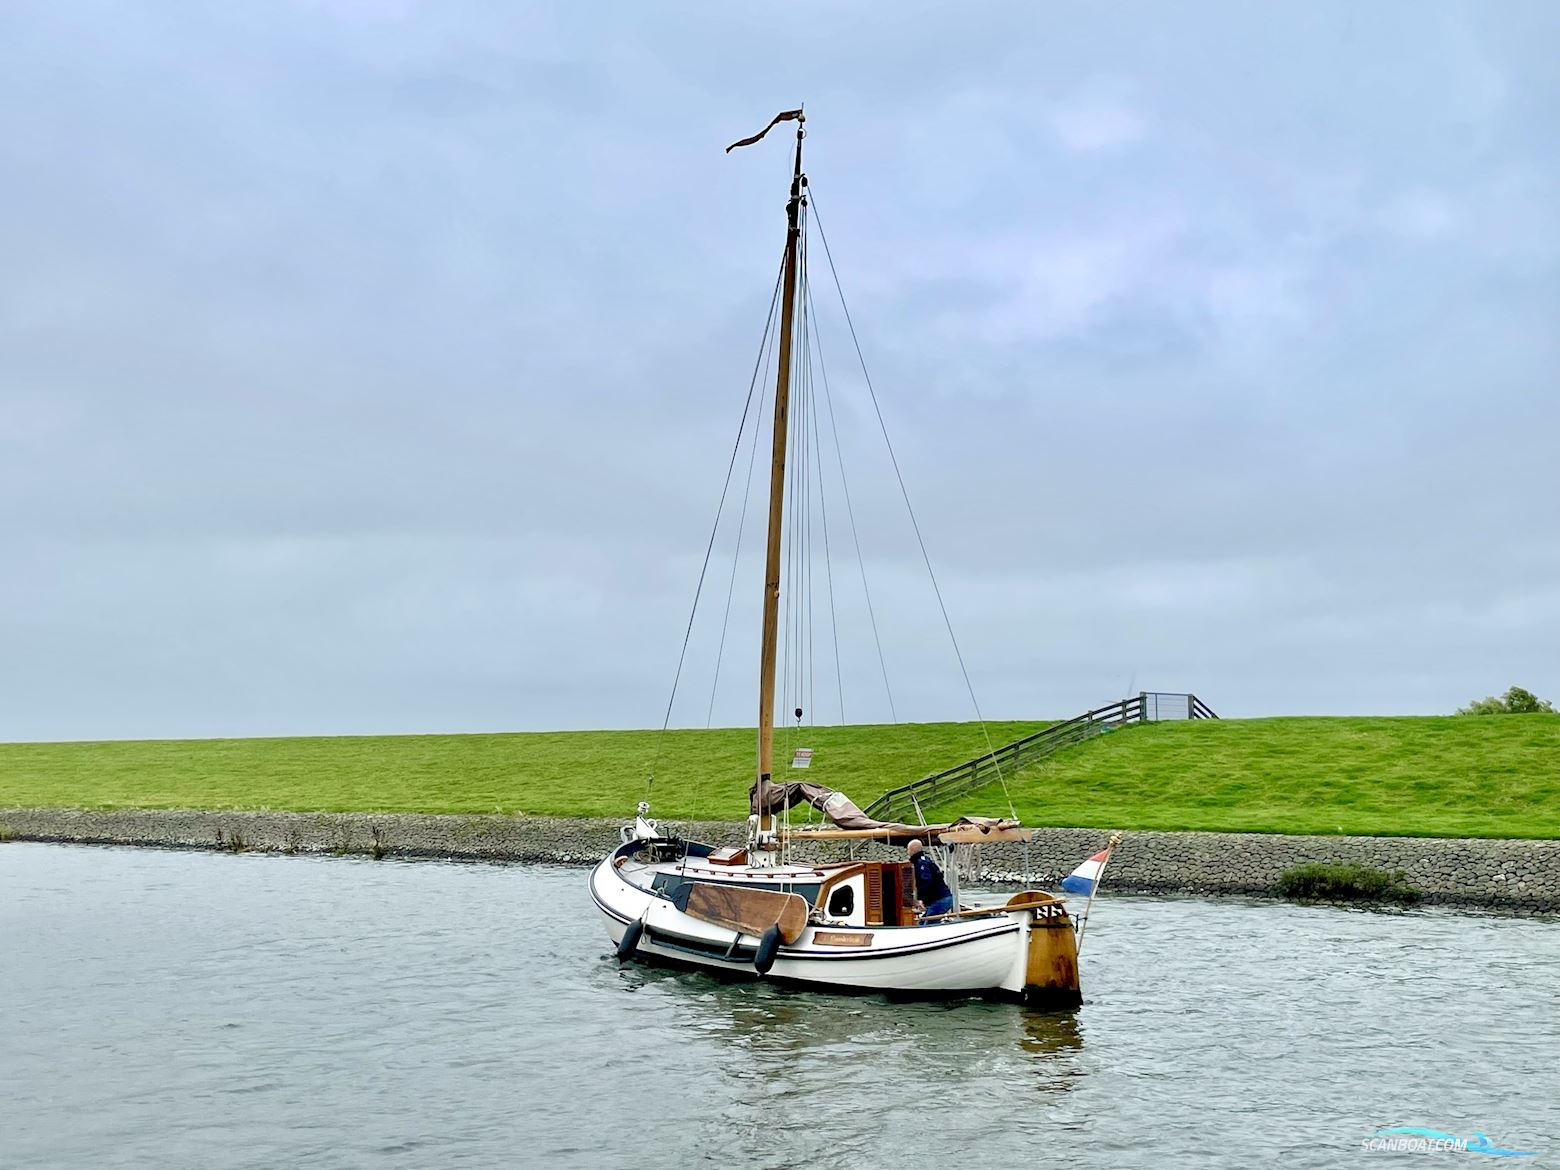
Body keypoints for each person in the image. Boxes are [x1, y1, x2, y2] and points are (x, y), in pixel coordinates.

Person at [907, 839, 953, 920]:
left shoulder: (921, 863)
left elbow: (926, 882)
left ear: (912, 850)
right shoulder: (925, 860)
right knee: (924, 922)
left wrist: (921, 899)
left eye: (908, 849)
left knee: (927, 923)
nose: (907, 852)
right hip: (944, 898)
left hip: (940, 900)